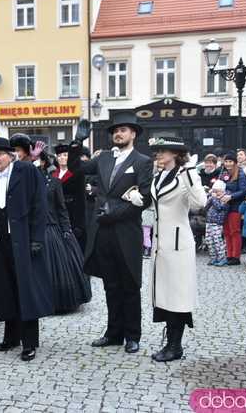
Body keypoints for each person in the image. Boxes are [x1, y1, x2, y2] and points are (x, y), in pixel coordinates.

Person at [68, 111, 153, 354]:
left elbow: (144, 199)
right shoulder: (104, 157)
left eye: (123, 130)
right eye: (115, 130)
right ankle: (113, 333)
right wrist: (77, 143)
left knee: (130, 285)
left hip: (126, 231)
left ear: (133, 134)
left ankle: (132, 336)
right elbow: (76, 168)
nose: (118, 133)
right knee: (111, 285)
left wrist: (114, 214)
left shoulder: (142, 161)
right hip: (103, 232)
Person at [0, 137, 52, 361]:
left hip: (23, 240)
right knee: (4, 288)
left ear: (11, 156)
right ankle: (11, 336)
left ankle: (29, 342)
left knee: (26, 290)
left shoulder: (27, 171)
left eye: (0, 154)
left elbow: (40, 205)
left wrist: (37, 238)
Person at [148, 137, 207, 362]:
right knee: (164, 295)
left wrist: (191, 170)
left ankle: (175, 346)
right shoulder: (159, 175)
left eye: (163, 151)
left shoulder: (185, 175)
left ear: (175, 153)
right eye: (157, 151)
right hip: (159, 245)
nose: (158, 155)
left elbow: (200, 202)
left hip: (178, 245)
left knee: (178, 296)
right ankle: (171, 342)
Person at [40, 160, 91, 313]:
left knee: (57, 266)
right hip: (35, 228)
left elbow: (61, 208)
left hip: (52, 228)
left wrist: (66, 229)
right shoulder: (30, 182)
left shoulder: (55, 182)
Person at [52, 143, 87, 250]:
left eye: (65, 155)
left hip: (73, 212)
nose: (62, 158)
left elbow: (81, 199)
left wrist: (79, 224)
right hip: (57, 214)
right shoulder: (53, 174)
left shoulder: (77, 173)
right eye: (59, 155)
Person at [220, 153, 246, 266]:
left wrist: (230, 196)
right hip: (224, 206)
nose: (228, 164)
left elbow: (243, 191)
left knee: (234, 231)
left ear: (235, 162)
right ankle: (229, 255)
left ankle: (236, 257)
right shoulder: (223, 172)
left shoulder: (240, 173)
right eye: (226, 161)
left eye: (230, 161)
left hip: (235, 206)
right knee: (226, 232)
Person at [205, 180, 230, 266]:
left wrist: (214, 198)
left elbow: (219, 207)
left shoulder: (225, 198)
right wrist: (210, 197)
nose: (216, 193)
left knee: (217, 241)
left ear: (223, 191)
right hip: (209, 222)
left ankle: (222, 258)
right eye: (214, 191)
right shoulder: (213, 198)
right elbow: (206, 206)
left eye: (217, 191)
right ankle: (213, 257)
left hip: (217, 223)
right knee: (209, 240)